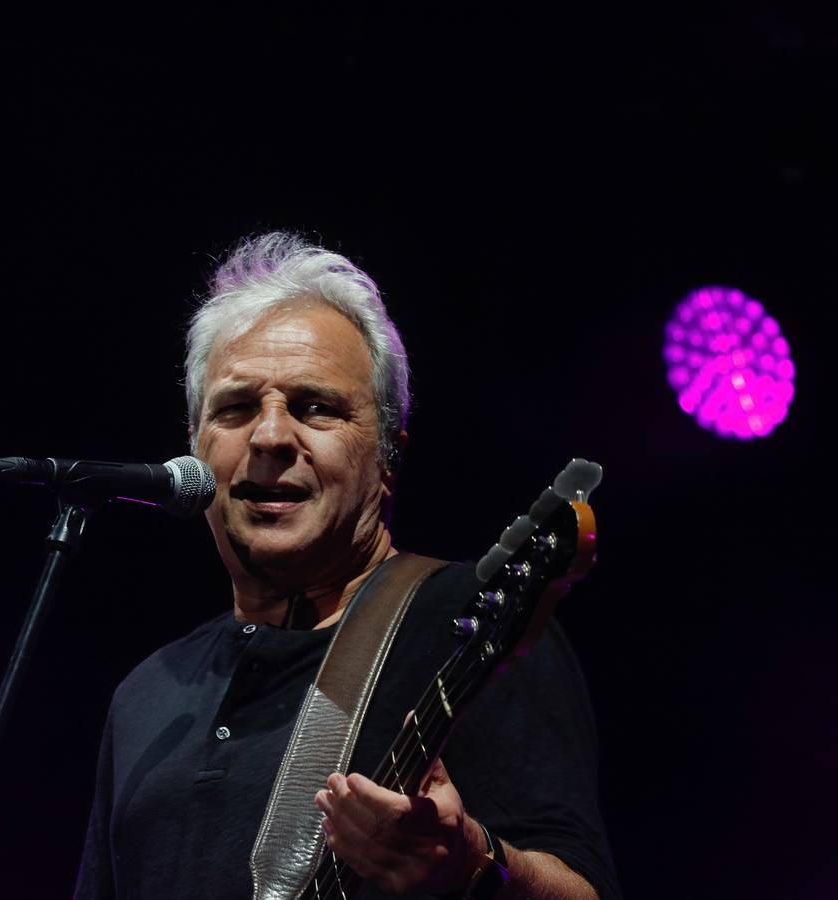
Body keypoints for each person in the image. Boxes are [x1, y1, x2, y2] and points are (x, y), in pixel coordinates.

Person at [73, 233, 620, 899]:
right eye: (237, 408)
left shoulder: (470, 620)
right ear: (195, 448)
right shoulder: (146, 695)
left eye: (315, 407)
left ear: (387, 456)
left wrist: (474, 866)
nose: (270, 437)